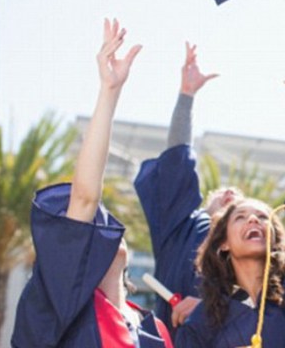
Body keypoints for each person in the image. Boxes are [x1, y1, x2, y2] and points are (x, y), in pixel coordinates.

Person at [11, 19, 173, 347]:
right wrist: (109, 92)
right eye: (89, 227)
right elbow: (85, 198)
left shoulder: (154, 327)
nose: (98, 224)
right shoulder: (60, 303)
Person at [134, 42, 241, 332]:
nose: (231, 193)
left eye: (240, 207)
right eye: (223, 192)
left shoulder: (249, 247)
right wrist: (186, 97)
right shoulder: (181, 226)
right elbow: (178, 159)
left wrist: (211, 306)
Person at [173, 195, 285, 347]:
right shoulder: (203, 322)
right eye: (240, 217)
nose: (253, 219)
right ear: (223, 243)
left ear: (274, 239)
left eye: (262, 217)